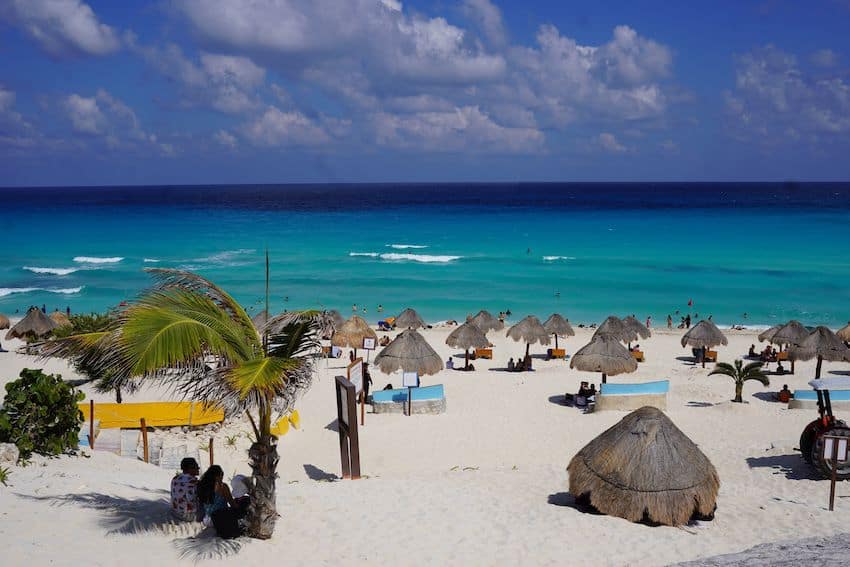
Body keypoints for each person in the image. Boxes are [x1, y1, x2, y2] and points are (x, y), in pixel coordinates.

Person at [197, 465, 243, 539]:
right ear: (217, 476)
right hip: (220, 518)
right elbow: (232, 503)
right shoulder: (222, 486)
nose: (222, 477)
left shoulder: (202, 486)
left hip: (207, 519)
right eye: (222, 475)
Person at [170, 457, 201, 522]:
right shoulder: (193, 482)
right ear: (190, 468)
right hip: (189, 516)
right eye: (196, 467)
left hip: (175, 512)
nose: (198, 469)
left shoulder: (175, 479)